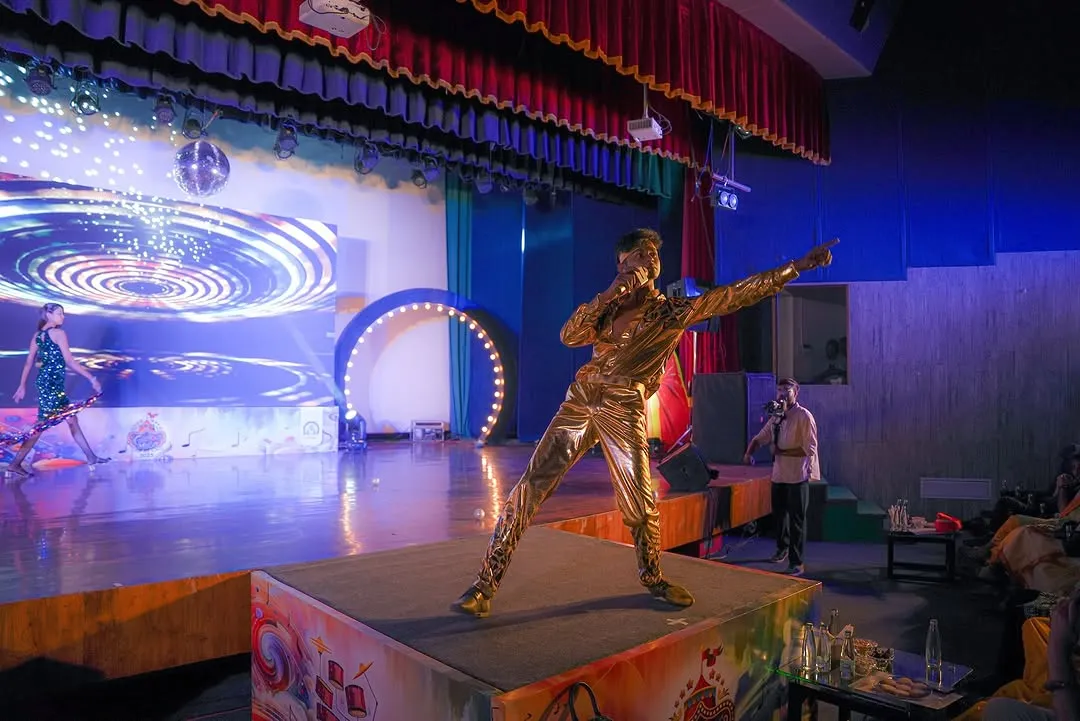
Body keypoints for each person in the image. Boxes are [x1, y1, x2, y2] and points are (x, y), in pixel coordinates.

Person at [451, 229, 838, 617]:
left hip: (624, 406)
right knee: (529, 489)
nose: (651, 258)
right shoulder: (606, 307)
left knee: (639, 506)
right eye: (641, 253)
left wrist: (794, 267)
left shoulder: (671, 312)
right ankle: (484, 584)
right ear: (622, 263)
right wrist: (610, 293)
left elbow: (733, 295)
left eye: (654, 253)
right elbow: (569, 335)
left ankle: (653, 577)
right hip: (581, 399)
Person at [4, 303, 109, 478]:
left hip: (46, 383)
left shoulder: (38, 336)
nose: (63, 317)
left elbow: (29, 362)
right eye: (60, 313)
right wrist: (91, 378)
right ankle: (15, 464)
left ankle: (91, 457)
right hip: (52, 385)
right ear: (49, 315)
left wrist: (22, 385)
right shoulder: (59, 333)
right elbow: (70, 361)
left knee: (71, 419)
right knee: (41, 426)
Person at [743, 378, 819, 576]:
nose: (782, 393)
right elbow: (760, 438)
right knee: (780, 517)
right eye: (779, 390)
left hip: (797, 477)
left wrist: (781, 452)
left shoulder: (804, 416)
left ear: (796, 392)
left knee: (796, 522)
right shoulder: (776, 417)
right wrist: (749, 453)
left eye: (787, 389)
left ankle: (797, 562)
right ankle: (782, 549)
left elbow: (809, 449)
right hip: (779, 476)